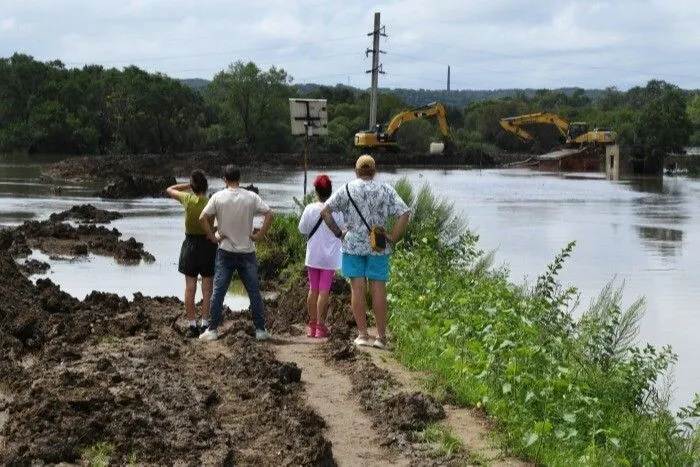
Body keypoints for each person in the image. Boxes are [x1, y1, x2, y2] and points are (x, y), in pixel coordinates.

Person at [320, 155, 410, 349]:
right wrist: (393, 237)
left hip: (353, 246)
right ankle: (381, 337)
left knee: (357, 289)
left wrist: (339, 233)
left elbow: (325, 212)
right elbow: (404, 212)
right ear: (374, 171)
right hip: (378, 245)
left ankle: (362, 335)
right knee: (378, 289)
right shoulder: (385, 189)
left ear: (356, 171)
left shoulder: (347, 188)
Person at [198, 165, 273, 341]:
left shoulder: (218, 197)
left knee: (218, 292)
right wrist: (259, 235)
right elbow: (270, 214)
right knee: (254, 292)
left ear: (225, 179)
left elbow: (202, 218)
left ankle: (213, 329)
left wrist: (213, 237)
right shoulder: (251, 197)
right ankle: (260, 330)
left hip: (225, 250)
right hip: (247, 250)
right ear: (239, 178)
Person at [166, 170, 217, 338]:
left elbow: (170, 189)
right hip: (208, 245)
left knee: (190, 287)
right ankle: (205, 324)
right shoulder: (210, 203)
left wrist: (188, 186)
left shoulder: (187, 199)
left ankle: (192, 325)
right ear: (206, 186)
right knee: (207, 289)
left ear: (193, 187)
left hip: (190, 245)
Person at [298, 175, 344, 339]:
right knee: (324, 291)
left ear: (316, 191)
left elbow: (302, 229)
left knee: (313, 289)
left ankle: (311, 325)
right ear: (331, 191)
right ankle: (320, 327)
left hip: (313, 255)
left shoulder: (309, 208)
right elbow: (342, 230)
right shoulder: (336, 209)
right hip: (330, 257)